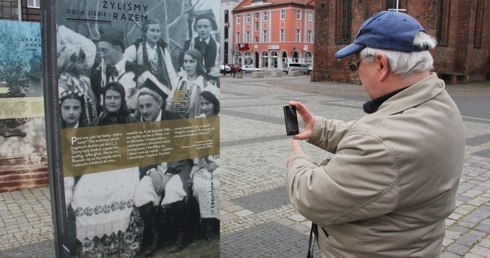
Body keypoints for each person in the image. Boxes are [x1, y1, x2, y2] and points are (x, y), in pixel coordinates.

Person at [286, 11, 465, 258]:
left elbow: (313, 197)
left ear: (381, 65)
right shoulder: (438, 102)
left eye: (356, 64)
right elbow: (376, 136)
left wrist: (297, 160)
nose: (357, 73)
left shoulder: (383, 142)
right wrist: (319, 128)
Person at [91, 30, 170, 114]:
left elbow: (166, 95)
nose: (101, 55)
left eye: (105, 51)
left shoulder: (137, 72)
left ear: (118, 49)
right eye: (100, 51)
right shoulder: (102, 75)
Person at [192, 90, 220, 241]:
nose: (204, 107)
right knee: (201, 186)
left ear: (214, 104)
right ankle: (207, 223)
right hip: (202, 163)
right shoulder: (199, 121)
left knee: (215, 185)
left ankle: (214, 224)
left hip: (219, 162)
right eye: (201, 104)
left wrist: (216, 163)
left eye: (207, 103)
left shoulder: (221, 120)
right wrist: (202, 163)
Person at [58, 26, 98, 123]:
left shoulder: (83, 81)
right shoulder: (63, 85)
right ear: (70, 64)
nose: (85, 64)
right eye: (80, 62)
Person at [125, 18, 179, 91]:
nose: (155, 34)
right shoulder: (136, 48)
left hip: (162, 89)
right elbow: (124, 65)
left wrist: (176, 92)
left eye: (158, 31)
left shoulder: (162, 49)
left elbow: (171, 72)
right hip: (143, 90)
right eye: (152, 30)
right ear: (145, 32)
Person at [167, 49, 219, 119]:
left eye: (192, 61)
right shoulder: (179, 81)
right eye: (185, 61)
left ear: (198, 63)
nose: (188, 65)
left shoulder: (205, 84)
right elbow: (170, 103)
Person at [182, 13, 220, 86]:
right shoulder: (189, 45)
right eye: (199, 27)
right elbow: (183, 67)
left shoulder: (218, 47)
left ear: (211, 27)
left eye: (205, 26)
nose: (202, 30)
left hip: (212, 84)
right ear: (196, 28)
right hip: (192, 83)